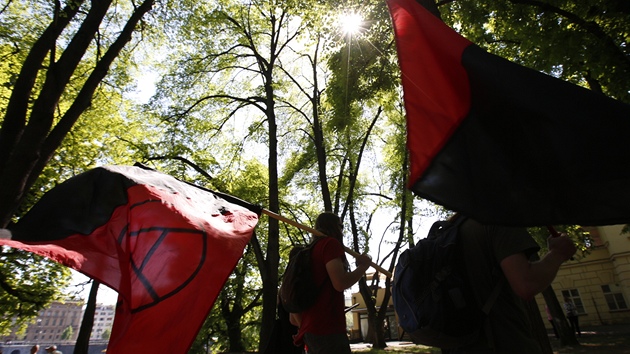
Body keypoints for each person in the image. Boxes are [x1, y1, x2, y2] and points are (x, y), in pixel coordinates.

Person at [446, 214, 576, 353]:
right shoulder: (498, 220)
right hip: (505, 344)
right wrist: (558, 253)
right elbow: (526, 285)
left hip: (460, 346)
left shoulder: (452, 230)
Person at [290, 212, 371, 354]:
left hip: (312, 329)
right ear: (334, 227)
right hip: (327, 328)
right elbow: (339, 283)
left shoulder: (312, 250)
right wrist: (363, 268)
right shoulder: (330, 244)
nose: (342, 230)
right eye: (340, 226)